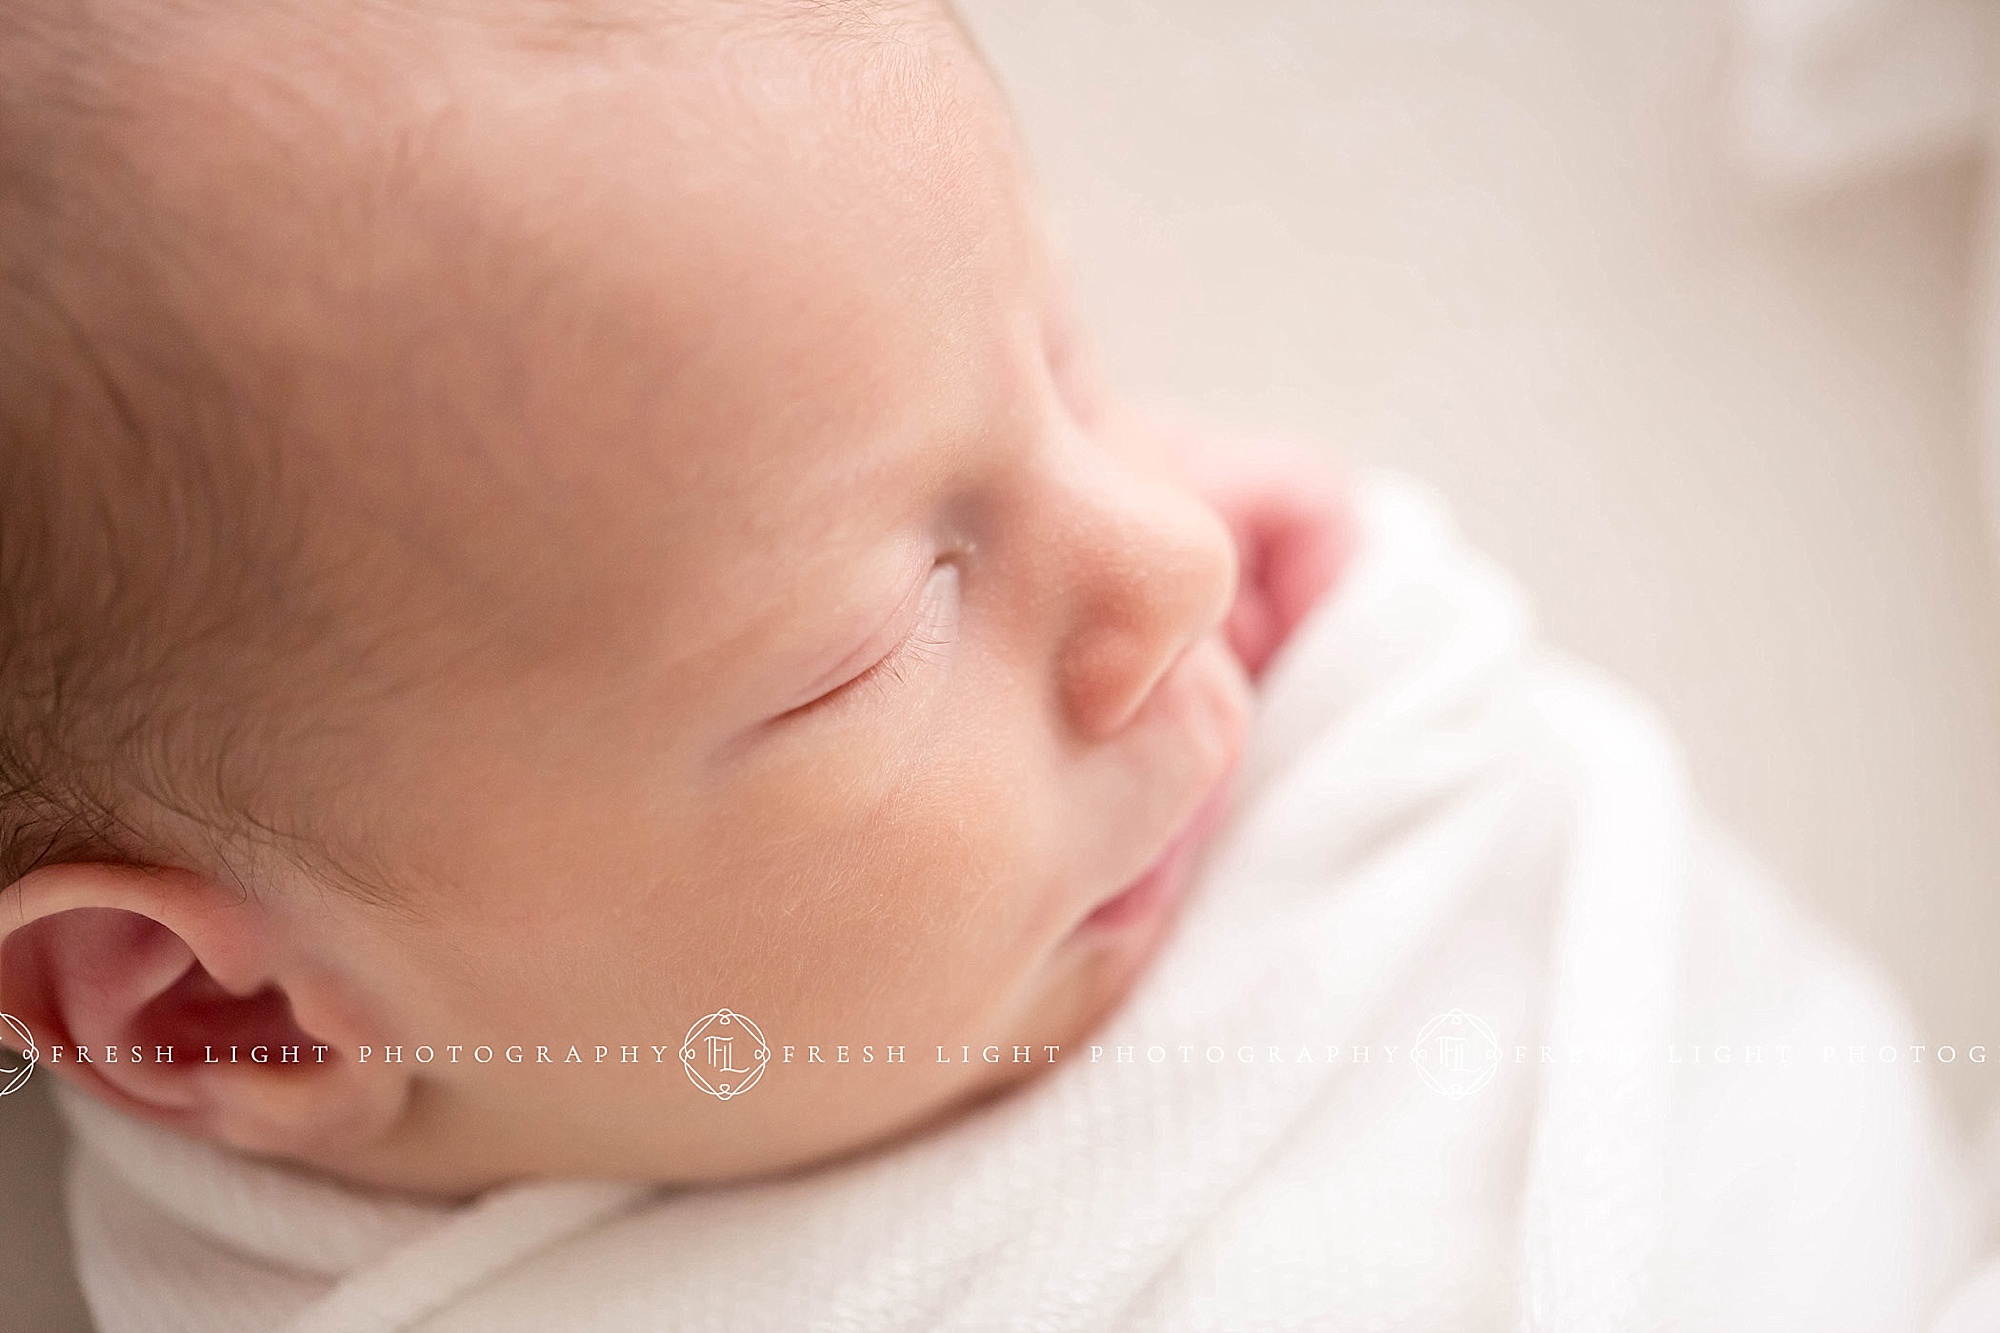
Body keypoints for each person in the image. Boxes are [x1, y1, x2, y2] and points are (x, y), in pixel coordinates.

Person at [0, 2, 1978, 1328]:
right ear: (205, 1017)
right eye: (871, 645)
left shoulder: (1346, 750)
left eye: (1063, 360)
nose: (1178, 555)